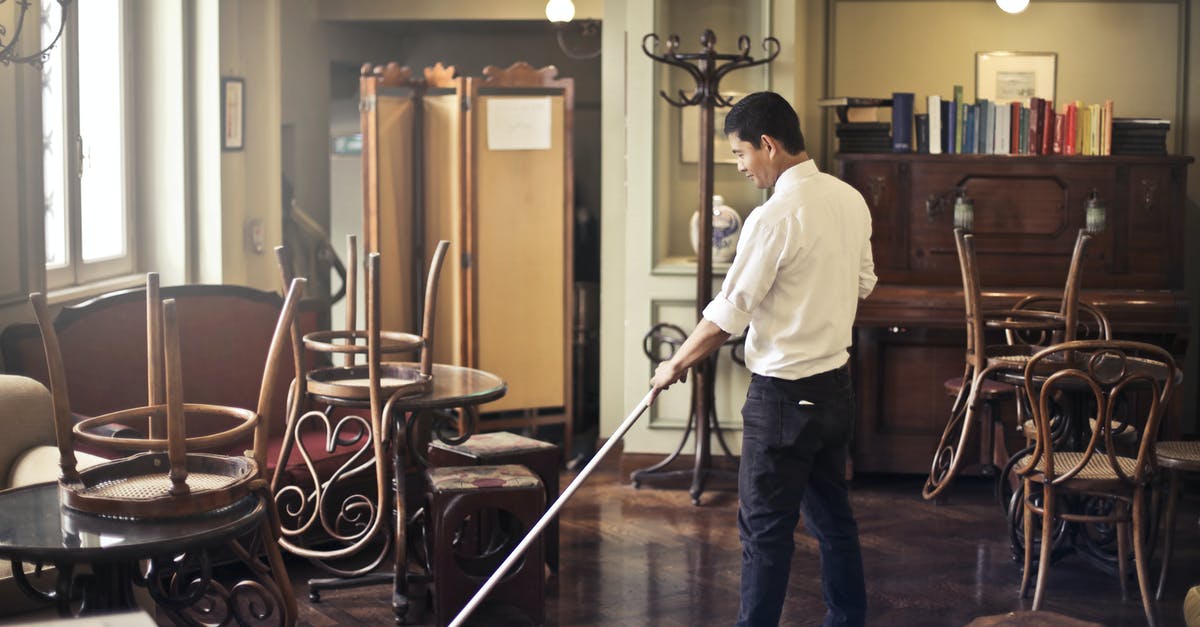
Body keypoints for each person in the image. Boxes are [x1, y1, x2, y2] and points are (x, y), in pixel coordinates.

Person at [648, 91, 875, 627]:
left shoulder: (773, 217)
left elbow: (729, 313)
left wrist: (675, 364)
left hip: (781, 400)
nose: (741, 166)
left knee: (766, 531)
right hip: (835, 389)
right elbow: (864, 284)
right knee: (834, 521)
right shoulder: (851, 199)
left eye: (740, 154)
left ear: (768, 145)